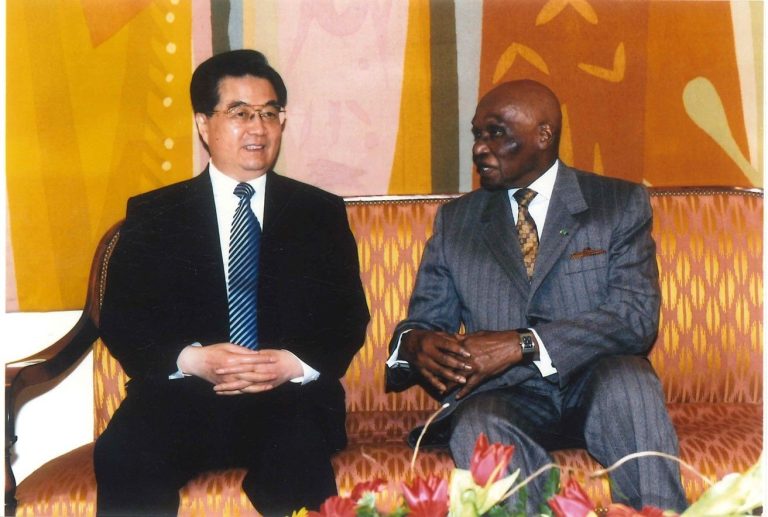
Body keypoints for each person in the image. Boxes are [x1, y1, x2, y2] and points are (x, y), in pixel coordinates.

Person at [386, 79, 687, 512]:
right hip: (508, 395)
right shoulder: (458, 221)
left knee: (630, 383)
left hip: (595, 378)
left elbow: (634, 318)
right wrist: (414, 344)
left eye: (496, 133)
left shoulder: (617, 204)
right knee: (477, 424)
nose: (480, 148)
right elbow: (426, 320)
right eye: (477, 134)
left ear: (543, 135)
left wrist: (523, 343)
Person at [95, 49, 370, 516]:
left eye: (269, 113)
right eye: (239, 113)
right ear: (204, 124)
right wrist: (192, 359)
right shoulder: (155, 213)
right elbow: (123, 319)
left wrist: (291, 364)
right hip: (182, 397)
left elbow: (347, 317)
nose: (257, 128)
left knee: (298, 462)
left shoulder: (318, 213)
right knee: (125, 455)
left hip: (288, 399)